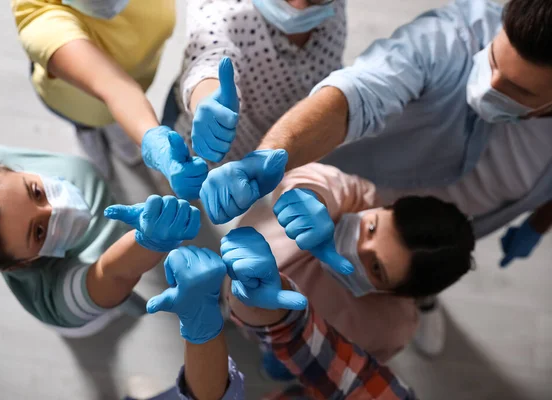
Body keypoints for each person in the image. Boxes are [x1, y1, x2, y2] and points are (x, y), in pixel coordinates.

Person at [198, 0, 552, 355]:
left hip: (446, 243)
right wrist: (275, 154)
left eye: (519, 92)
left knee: (422, 267)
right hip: (355, 188)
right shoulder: (451, 39)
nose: (490, 85)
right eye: (492, 60)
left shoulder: (386, 330)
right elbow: (359, 92)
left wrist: (538, 223)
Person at [234, 162, 474, 378]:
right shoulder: (360, 197)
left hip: (286, 345)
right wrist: (311, 198)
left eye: (376, 268)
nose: (358, 247)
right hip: (233, 267)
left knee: (281, 366)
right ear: (386, 207)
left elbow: (335, 369)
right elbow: (322, 181)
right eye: (371, 228)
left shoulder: (388, 329)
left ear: (398, 294)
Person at [131, 231, 416, 399]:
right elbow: (325, 358)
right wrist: (272, 308)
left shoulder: (392, 326)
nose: (362, 249)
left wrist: (201, 325)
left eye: (378, 269)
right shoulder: (386, 394)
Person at [0, 145, 200, 336]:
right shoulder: (58, 300)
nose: (56, 208)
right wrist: (149, 241)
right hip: (86, 314)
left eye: (36, 192)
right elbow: (111, 274)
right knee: (105, 317)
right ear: (19, 264)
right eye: (38, 232)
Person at [11, 0, 208, 200]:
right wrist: (154, 139)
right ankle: (89, 135)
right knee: (88, 123)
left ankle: (119, 130)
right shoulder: (40, 17)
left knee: (122, 121)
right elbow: (116, 87)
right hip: (77, 102)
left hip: (136, 80)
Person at [173, 0, 345, 164]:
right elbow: (208, 58)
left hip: (282, 161)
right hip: (214, 162)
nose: (299, 5)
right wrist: (209, 99)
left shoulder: (332, 9)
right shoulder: (222, 10)